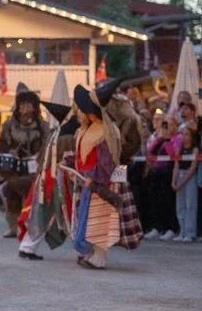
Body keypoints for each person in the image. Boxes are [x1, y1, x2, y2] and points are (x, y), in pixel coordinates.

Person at [70, 78, 143, 269]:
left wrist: (95, 177)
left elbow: (106, 159)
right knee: (88, 219)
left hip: (102, 182)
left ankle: (99, 258)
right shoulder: (89, 129)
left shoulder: (105, 131)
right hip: (90, 180)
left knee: (101, 221)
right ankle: (92, 253)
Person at [17, 101, 79, 260]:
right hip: (61, 180)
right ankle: (83, 251)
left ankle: (27, 246)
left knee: (41, 215)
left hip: (46, 179)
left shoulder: (54, 134)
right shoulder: (70, 136)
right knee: (70, 215)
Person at [0, 88, 50, 238]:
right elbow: (3, 144)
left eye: (29, 106)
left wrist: (39, 157)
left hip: (36, 167)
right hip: (15, 167)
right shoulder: (9, 125)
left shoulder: (42, 126)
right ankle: (13, 226)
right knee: (11, 194)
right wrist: (9, 153)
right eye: (23, 106)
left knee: (33, 195)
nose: (26, 110)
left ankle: (35, 225)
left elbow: (48, 144)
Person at [142, 112, 179, 240]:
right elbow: (151, 150)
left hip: (167, 172)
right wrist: (160, 139)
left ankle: (170, 228)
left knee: (168, 201)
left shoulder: (176, 137)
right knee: (155, 201)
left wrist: (167, 139)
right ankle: (157, 227)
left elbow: (172, 154)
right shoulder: (158, 136)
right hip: (156, 172)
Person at [172, 124, 199, 242]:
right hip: (181, 175)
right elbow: (176, 167)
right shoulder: (179, 149)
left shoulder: (195, 149)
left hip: (189, 177)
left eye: (187, 134)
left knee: (190, 205)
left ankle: (190, 232)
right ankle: (182, 231)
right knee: (180, 205)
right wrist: (174, 181)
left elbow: (193, 168)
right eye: (182, 134)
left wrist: (182, 182)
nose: (184, 137)